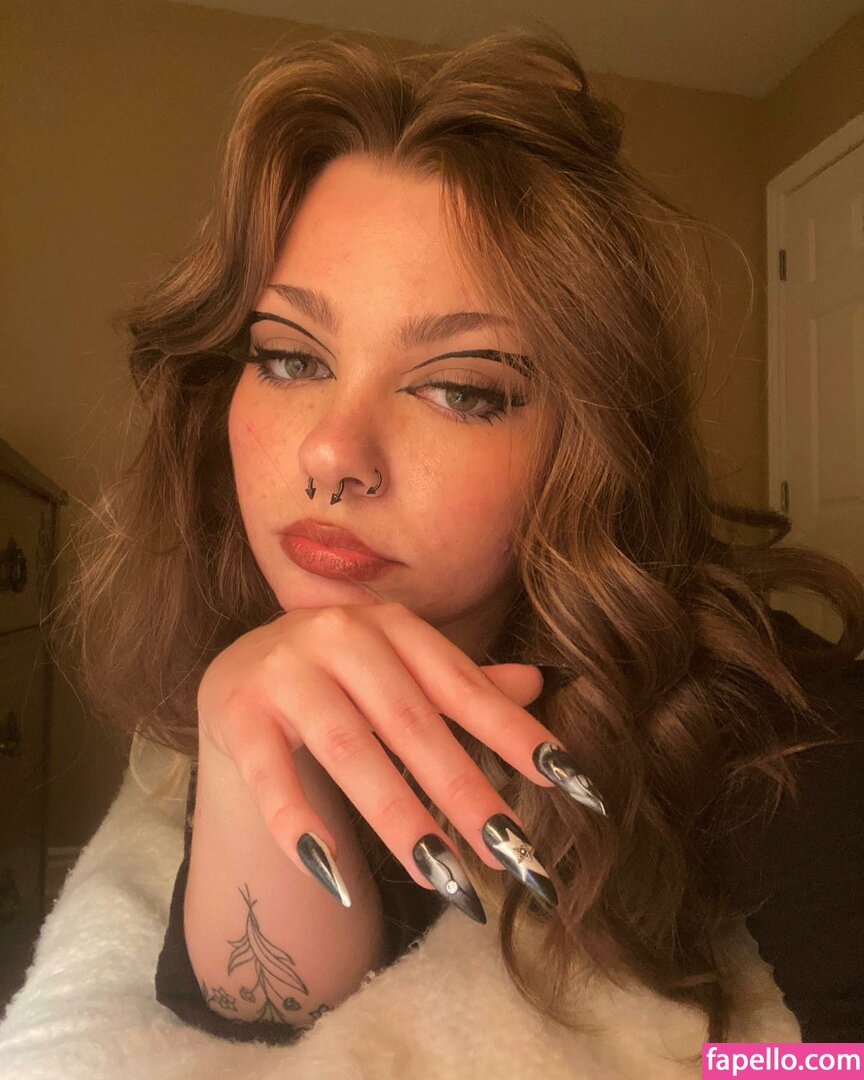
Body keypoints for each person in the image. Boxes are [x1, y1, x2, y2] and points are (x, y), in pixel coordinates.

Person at [53, 26, 863, 1054]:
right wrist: (243, 727)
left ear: (591, 447)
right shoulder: (262, 622)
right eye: (292, 359)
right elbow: (253, 1012)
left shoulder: (775, 711)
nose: (331, 452)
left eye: (461, 389)